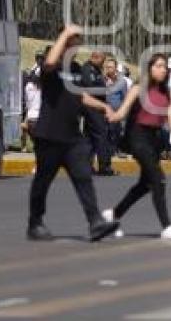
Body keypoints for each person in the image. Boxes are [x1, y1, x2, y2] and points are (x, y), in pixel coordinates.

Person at [27, 26, 119, 242]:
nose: (75, 45)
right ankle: (35, 222)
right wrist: (64, 34)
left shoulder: (77, 69)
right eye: (71, 41)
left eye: (77, 41)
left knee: (83, 177)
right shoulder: (52, 65)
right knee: (43, 181)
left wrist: (103, 107)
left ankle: (95, 222)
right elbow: (49, 63)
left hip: (71, 137)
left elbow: (81, 97)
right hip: (49, 134)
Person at [104, 53, 171, 240]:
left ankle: (113, 215)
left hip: (154, 140)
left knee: (145, 184)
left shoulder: (167, 93)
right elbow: (121, 112)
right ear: (150, 68)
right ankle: (166, 226)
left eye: (165, 67)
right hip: (137, 137)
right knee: (158, 179)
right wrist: (110, 115)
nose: (163, 70)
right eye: (159, 66)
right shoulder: (138, 89)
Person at [81, 50, 114, 176]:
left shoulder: (96, 70)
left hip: (97, 107)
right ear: (96, 57)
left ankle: (87, 166)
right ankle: (104, 166)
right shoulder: (87, 69)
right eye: (103, 60)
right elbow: (90, 87)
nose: (104, 63)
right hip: (92, 107)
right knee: (101, 135)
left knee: (89, 138)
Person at [104, 58, 128, 159]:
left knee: (116, 131)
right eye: (107, 67)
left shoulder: (122, 82)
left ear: (115, 69)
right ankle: (107, 150)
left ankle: (115, 150)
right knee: (106, 131)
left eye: (110, 67)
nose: (108, 69)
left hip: (117, 112)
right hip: (104, 110)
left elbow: (125, 96)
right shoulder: (102, 79)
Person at [21, 73, 41, 153]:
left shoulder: (28, 87)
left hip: (30, 116)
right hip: (39, 117)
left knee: (24, 129)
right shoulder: (43, 87)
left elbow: (26, 101)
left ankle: (24, 146)